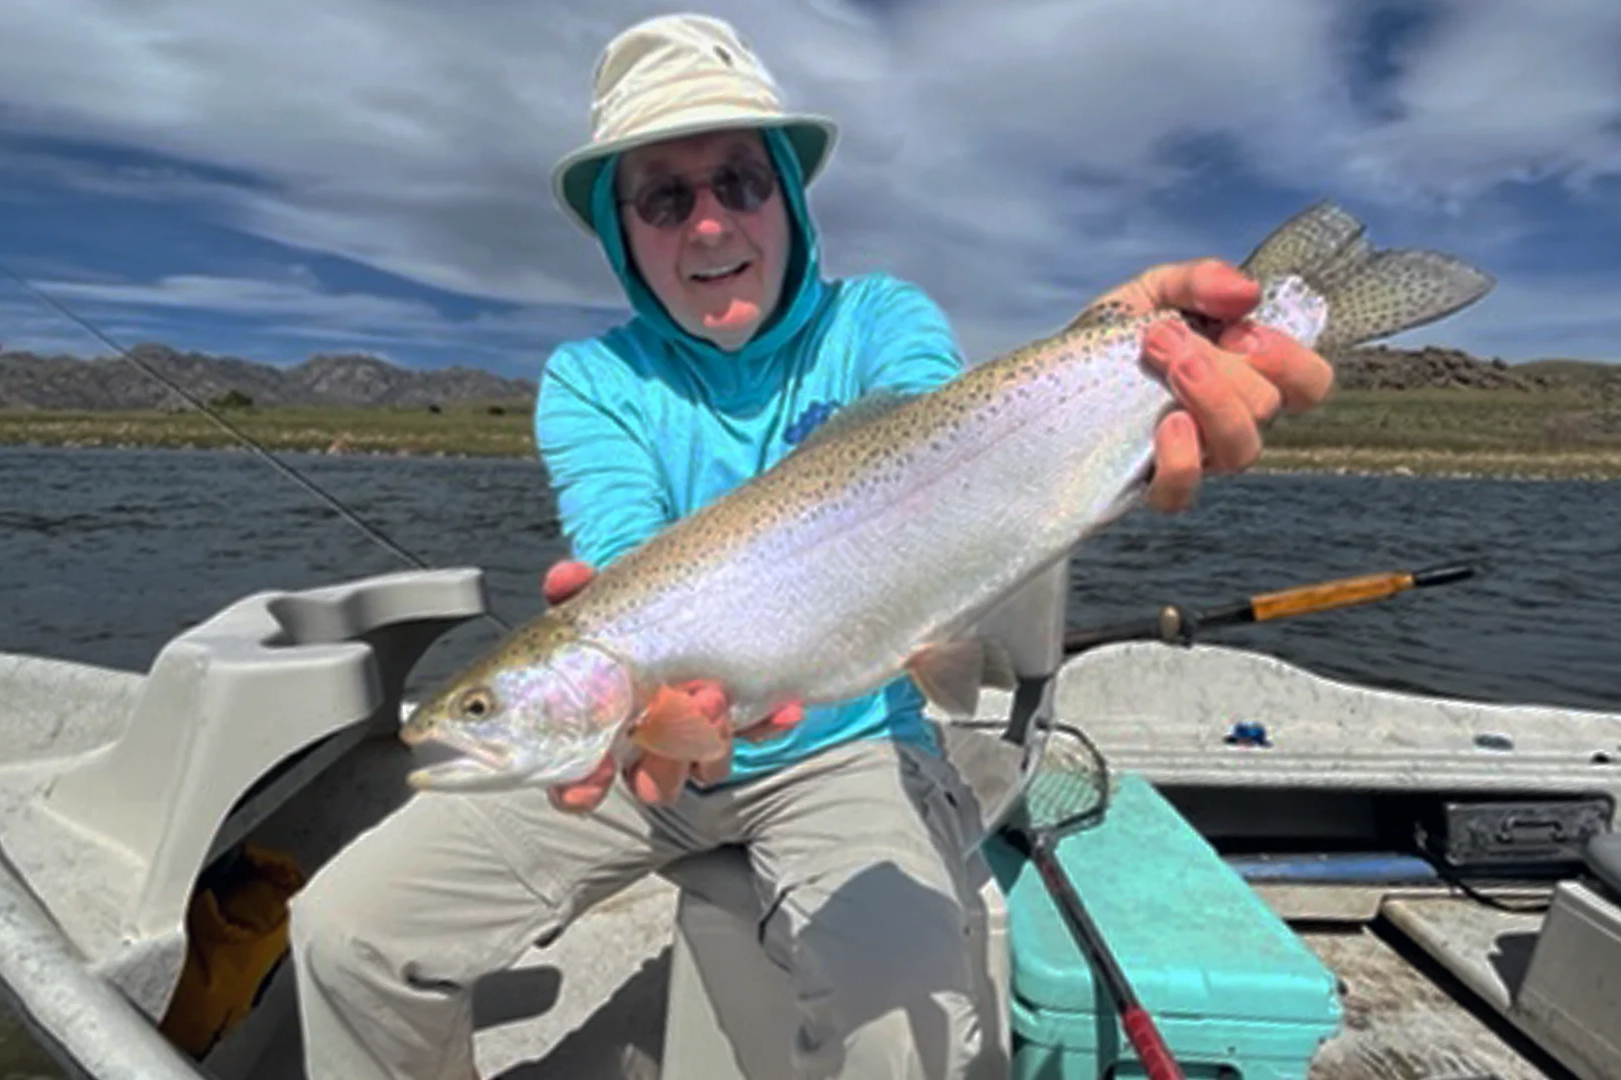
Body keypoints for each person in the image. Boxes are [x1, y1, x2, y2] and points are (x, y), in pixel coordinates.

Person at [286, 12, 1334, 1080]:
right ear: (620, 230)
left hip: (852, 746)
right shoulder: (589, 383)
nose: (707, 225)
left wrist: (1110, 364)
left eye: (739, 181)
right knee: (348, 935)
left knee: (906, 1030)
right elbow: (625, 547)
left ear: (788, 195)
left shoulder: (883, 321)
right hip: (631, 759)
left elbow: (960, 446)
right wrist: (662, 716)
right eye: (663, 197)